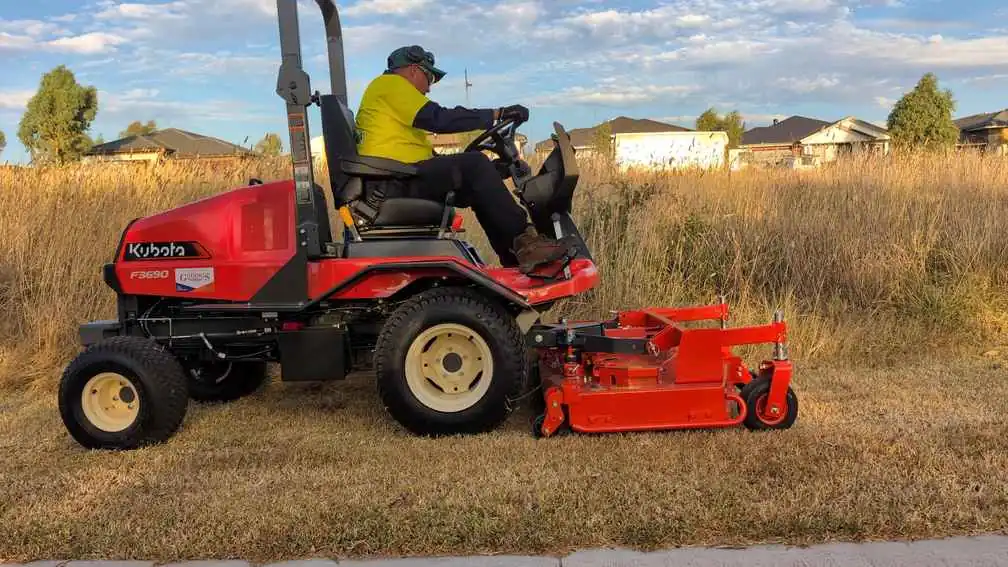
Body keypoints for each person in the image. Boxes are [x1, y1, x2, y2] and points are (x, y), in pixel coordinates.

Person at [354, 44, 576, 273]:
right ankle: (528, 244)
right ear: (413, 70)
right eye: (429, 78)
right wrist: (496, 114)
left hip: (398, 178)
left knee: (475, 176)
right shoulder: (390, 84)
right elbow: (440, 119)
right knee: (474, 165)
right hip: (392, 182)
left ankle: (514, 257)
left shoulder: (390, 104)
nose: (428, 89)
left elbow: (431, 159)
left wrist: (493, 172)